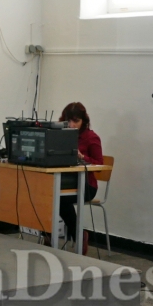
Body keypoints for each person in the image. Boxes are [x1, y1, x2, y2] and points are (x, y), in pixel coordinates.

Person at [59, 102, 103, 255]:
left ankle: (79, 235)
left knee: (59, 199)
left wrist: (82, 157)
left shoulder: (91, 138)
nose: (71, 125)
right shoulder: (60, 135)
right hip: (65, 183)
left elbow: (99, 164)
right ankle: (48, 234)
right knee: (44, 193)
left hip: (87, 186)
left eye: (76, 121)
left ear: (84, 121)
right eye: (68, 121)